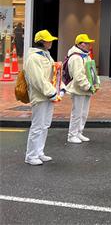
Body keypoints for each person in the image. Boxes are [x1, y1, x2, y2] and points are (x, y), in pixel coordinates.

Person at [24, 30, 64, 165]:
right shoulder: (34, 58)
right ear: (41, 42)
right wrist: (52, 92)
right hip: (40, 97)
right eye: (48, 40)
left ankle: (39, 152)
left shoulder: (46, 55)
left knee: (45, 125)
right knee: (37, 126)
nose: (50, 42)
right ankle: (31, 156)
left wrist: (60, 87)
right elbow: (37, 80)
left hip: (48, 95)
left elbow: (53, 74)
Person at [66, 34, 97, 144]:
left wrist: (94, 83)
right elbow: (78, 76)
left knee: (84, 113)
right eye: (86, 43)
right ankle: (72, 134)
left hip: (86, 89)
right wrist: (89, 86)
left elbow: (91, 71)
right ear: (79, 44)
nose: (88, 45)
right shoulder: (76, 57)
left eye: (89, 43)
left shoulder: (85, 55)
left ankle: (79, 132)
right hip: (78, 89)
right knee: (77, 113)